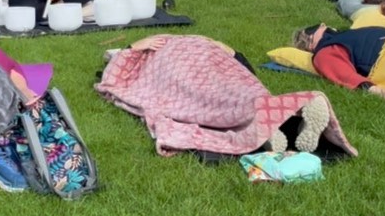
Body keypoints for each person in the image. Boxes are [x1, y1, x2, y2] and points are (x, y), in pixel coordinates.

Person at [96, 34, 356, 159]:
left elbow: (115, 76)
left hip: (196, 62)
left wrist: (134, 46)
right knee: (240, 92)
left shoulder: (147, 51)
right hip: (202, 62)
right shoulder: (174, 46)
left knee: (220, 98)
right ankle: (282, 117)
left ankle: (264, 128)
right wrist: (223, 50)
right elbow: (239, 62)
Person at [292, 23, 385, 100]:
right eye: (315, 27)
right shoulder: (325, 52)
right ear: (310, 42)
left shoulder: (349, 34)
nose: (324, 24)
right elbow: (347, 76)